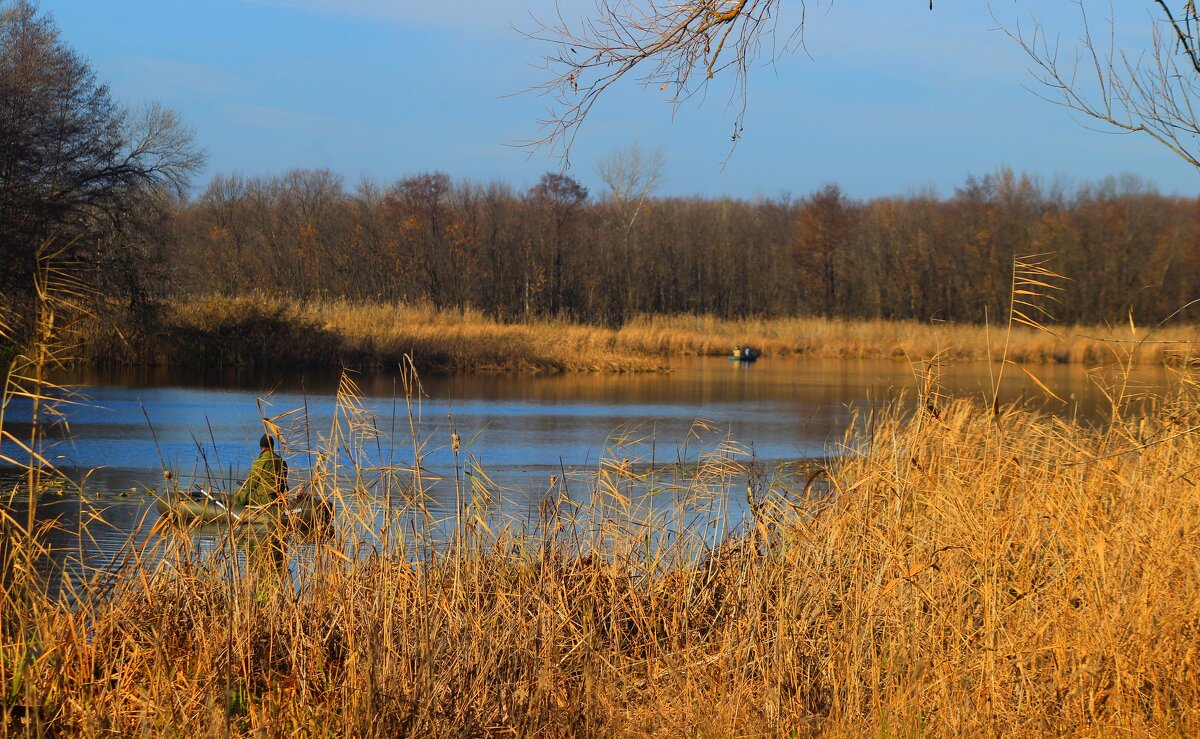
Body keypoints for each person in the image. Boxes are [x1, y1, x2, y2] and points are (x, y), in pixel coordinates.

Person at [234, 434, 288, 507]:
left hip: (266, 500)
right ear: (272, 447)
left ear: (260, 447)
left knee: (238, 494)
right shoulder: (282, 461)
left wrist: (243, 490)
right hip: (280, 499)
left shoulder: (260, 461)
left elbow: (251, 485)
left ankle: (241, 513)